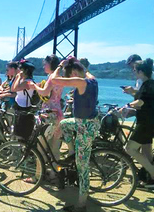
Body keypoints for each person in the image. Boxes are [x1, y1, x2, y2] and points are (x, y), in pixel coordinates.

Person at [52, 57, 100, 212]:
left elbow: (54, 80)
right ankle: (72, 151)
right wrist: (76, 62)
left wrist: (60, 65)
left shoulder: (81, 82)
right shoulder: (92, 79)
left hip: (85, 127)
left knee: (82, 168)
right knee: (64, 124)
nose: (70, 79)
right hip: (83, 122)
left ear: (74, 72)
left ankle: (81, 204)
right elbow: (86, 72)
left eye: (70, 75)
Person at [125, 58, 154, 188]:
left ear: (141, 72)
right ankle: (149, 176)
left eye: (135, 70)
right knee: (145, 150)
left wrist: (125, 106)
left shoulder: (149, 85)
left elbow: (141, 102)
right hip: (147, 121)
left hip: (145, 123)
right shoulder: (147, 83)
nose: (134, 72)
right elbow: (141, 100)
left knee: (129, 148)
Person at [28, 55, 64, 166]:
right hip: (58, 113)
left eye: (45, 64)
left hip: (48, 115)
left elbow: (44, 92)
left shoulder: (52, 77)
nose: (43, 66)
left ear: (50, 64)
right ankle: (54, 175)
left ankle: (38, 176)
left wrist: (34, 86)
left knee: (41, 146)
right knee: (54, 146)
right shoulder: (59, 76)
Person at [11, 60, 37, 141]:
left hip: (23, 109)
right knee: (18, 132)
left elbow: (14, 89)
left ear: (25, 70)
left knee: (22, 134)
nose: (18, 69)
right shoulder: (23, 81)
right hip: (19, 107)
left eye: (20, 68)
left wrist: (18, 77)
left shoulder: (27, 82)